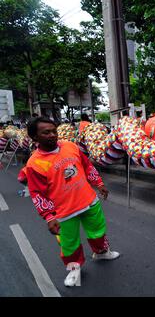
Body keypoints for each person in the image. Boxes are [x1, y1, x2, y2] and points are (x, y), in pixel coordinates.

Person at [25, 117, 120, 287]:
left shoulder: (70, 146)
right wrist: (49, 217)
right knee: (69, 244)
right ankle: (74, 269)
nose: (52, 135)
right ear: (35, 137)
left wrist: (99, 184)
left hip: (89, 201)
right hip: (64, 212)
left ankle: (101, 252)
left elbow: (87, 166)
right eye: (46, 132)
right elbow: (37, 194)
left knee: (98, 231)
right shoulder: (34, 164)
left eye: (54, 131)